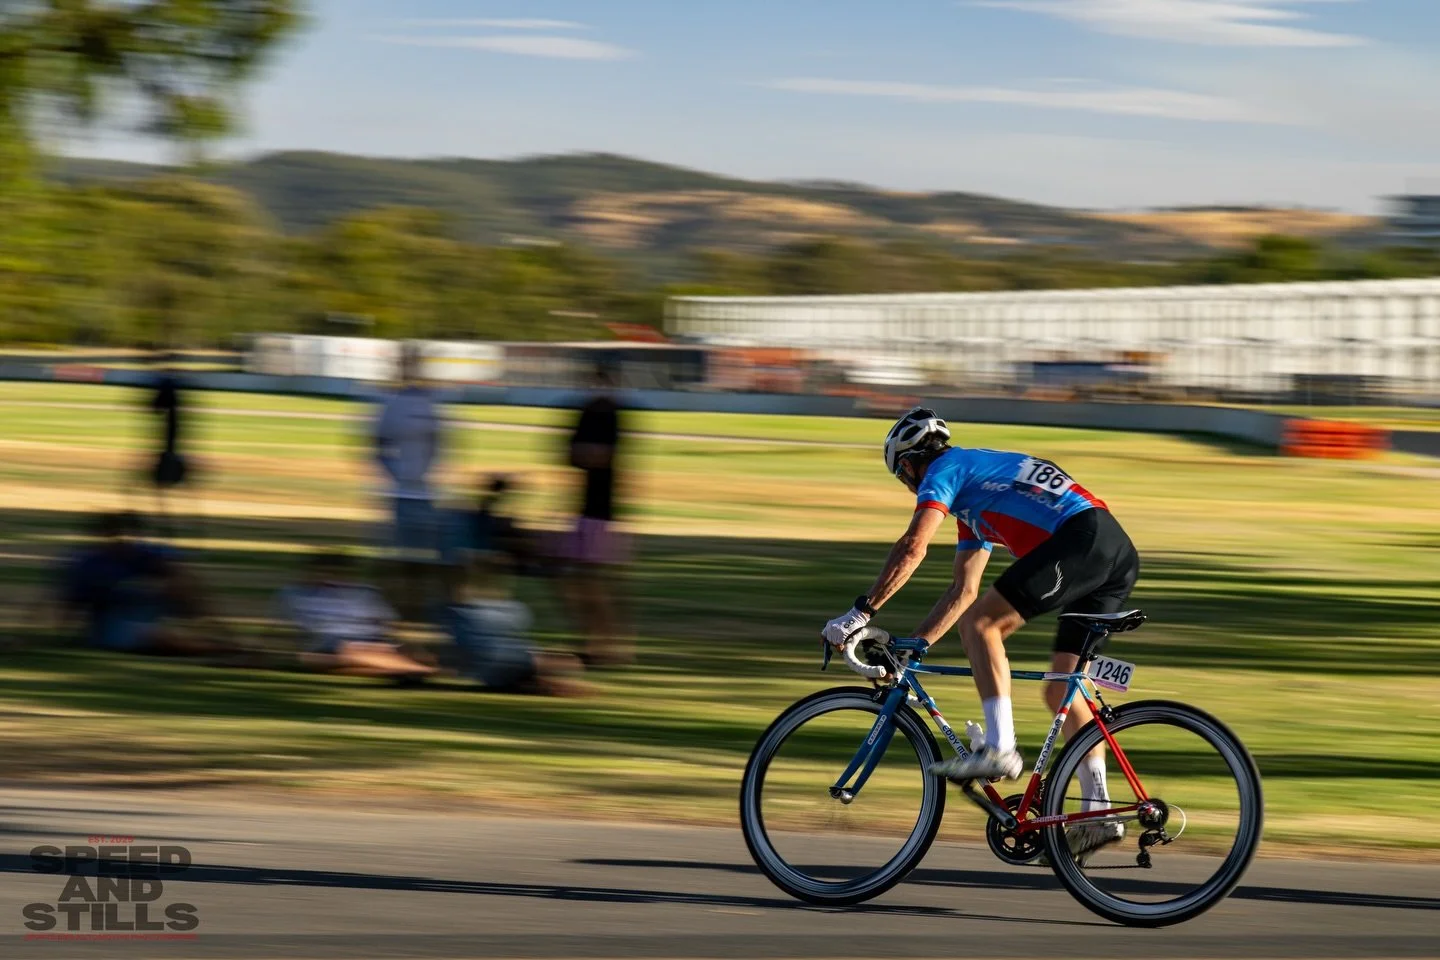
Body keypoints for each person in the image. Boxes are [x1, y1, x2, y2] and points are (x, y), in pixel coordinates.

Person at [821, 407, 1140, 860]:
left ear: (910, 464)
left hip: (1082, 540)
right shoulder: (975, 495)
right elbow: (963, 588)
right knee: (1061, 692)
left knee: (984, 626)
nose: (910, 485)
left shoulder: (946, 470)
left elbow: (913, 546)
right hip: (1111, 549)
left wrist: (859, 613)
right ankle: (1099, 811)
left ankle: (1000, 749)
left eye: (904, 476)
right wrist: (915, 649)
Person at [55, 511, 239, 658]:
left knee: (183, 581)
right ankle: (218, 648)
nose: (122, 540)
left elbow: (178, 571)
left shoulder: (144, 553)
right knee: (161, 639)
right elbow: (71, 603)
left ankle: (219, 637)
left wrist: (170, 579)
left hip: (145, 611)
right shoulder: (90, 564)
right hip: (113, 623)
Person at [277, 551, 437, 681]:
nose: (330, 579)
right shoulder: (296, 594)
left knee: (398, 651)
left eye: (337, 574)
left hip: (374, 642)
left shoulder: (365, 593)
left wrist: (399, 644)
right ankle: (406, 669)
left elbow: (388, 625)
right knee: (339, 653)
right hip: (331, 646)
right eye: (324, 573)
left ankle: (398, 669)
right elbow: (284, 629)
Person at [563, 362, 631, 666]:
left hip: (602, 509)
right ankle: (592, 643)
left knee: (596, 583)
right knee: (582, 582)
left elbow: (598, 456)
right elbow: (571, 455)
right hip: (583, 507)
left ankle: (608, 647)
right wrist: (587, 454)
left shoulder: (611, 414)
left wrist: (586, 454)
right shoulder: (588, 412)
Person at [447, 553, 587, 696]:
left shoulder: (456, 610)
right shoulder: (513, 608)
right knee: (571, 662)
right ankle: (534, 682)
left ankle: (530, 682)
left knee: (529, 663)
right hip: (509, 662)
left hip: (486, 671)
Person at [373, 342, 443, 621]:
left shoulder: (430, 404)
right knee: (398, 554)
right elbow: (377, 444)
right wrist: (395, 474)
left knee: (424, 555)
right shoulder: (391, 403)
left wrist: (429, 473)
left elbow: (440, 444)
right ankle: (393, 606)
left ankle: (416, 606)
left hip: (426, 492)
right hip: (400, 491)